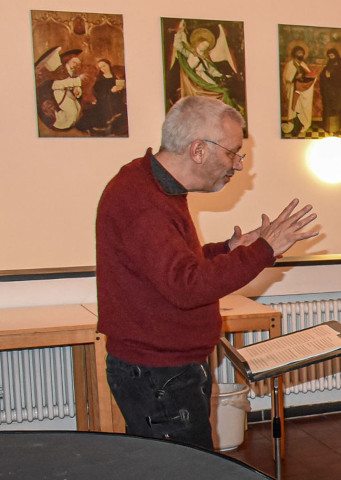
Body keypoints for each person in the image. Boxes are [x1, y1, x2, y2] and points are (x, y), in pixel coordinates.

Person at [96, 96, 319, 449]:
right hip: (159, 374)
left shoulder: (150, 187)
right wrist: (264, 250)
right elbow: (187, 287)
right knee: (185, 478)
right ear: (198, 149)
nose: (239, 165)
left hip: (166, 369)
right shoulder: (143, 201)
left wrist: (228, 251)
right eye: (233, 153)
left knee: (174, 473)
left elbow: (168, 267)